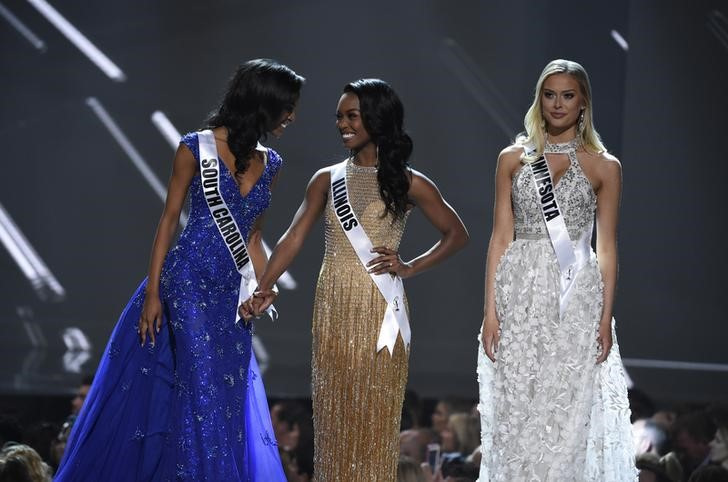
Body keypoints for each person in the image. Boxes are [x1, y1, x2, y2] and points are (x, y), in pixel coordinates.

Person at [55, 59, 305, 481]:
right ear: (263, 104)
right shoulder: (196, 147)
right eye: (288, 106)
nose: (292, 117)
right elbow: (169, 221)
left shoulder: (273, 164)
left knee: (225, 397)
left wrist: (266, 285)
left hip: (231, 298)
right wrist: (154, 294)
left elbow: (254, 238)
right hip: (186, 283)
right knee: (201, 387)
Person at [240, 78, 469, 480]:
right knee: (333, 421)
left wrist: (410, 266)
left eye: (352, 116)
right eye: (339, 117)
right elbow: (293, 237)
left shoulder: (409, 182)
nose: (342, 124)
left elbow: (456, 233)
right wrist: (265, 285)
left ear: (377, 120)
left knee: (373, 423)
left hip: (380, 310)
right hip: (333, 306)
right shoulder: (326, 179)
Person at [476, 59, 635, 481]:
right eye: (550, 95)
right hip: (520, 293)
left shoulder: (605, 166)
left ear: (583, 101)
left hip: (575, 298)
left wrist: (604, 319)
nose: (558, 104)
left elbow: (607, 246)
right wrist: (491, 311)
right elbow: (499, 238)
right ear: (539, 99)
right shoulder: (514, 158)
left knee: (566, 413)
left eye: (567, 95)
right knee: (519, 409)